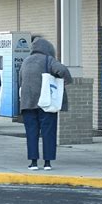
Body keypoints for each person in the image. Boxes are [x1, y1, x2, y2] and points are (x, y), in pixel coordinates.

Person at [19, 37, 72, 171]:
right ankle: (47, 162)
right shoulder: (48, 60)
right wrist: (66, 80)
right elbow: (62, 70)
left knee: (31, 133)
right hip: (46, 102)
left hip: (27, 103)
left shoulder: (25, 61)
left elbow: (20, 80)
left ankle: (33, 162)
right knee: (48, 132)